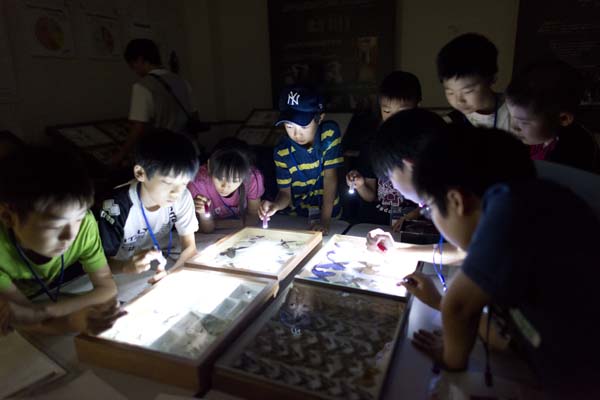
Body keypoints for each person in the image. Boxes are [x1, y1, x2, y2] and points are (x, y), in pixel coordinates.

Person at [398, 128, 599, 398]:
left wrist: (451, 361)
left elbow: (460, 308)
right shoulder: (542, 206)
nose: (432, 216)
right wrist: (438, 303)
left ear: (456, 200)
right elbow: (510, 336)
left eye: (429, 207)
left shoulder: (510, 206)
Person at [0, 146, 122, 335]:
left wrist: (47, 311)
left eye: (79, 218)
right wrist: (77, 320)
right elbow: (22, 318)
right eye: (54, 226)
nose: (70, 235)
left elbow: (106, 287)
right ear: (8, 217)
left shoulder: (84, 225)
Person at [96, 131, 199, 283]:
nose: (176, 192)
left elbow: (190, 247)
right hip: (122, 271)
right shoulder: (115, 207)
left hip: (160, 261)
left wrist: (172, 274)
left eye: (184, 183)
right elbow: (100, 265)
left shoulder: (182, 196)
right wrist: (125, 267)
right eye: (168, 183)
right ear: (140, 173)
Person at [259, 86, 344, 234]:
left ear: (320, 118)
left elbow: (330, 179)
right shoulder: (282, 151)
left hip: (329, 214)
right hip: (297, 218)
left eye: (303, 126)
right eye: (289, 126)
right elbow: (285, 194)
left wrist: (324, 221)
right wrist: (275, 206)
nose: (296, 134)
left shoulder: (329, 135)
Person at [346, 71, 423, 229]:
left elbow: (437, 195)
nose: (394, 119)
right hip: (375, 225)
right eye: (387, 111)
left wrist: (419, 212)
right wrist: (360, 185)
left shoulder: (426, 142)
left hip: (413, 226)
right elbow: (370, 196)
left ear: (417, 106)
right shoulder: (372, 144)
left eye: (402, 112)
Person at [112, 38, 197, 167]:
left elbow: (138, 128)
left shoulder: (143, 86)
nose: (134, 70)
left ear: (140, 60)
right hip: (190, 150)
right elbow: (194, 115)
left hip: (164, 156)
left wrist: (120, 155)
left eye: (133, 65)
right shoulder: (182, 81)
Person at [505, 59, 600, 174]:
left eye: (523, 122)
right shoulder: (538, 136)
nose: (513, 126)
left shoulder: (575, 155)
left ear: (563, 118)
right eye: (511, 116)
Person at [187, 138, 265, 233]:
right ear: (209, 166)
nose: (225, 186)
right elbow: (205, 229)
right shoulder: (197, 183)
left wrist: (216, 224)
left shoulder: (252, 178)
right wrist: (203, 214)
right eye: (220, 178)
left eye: (235, 180)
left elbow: (253, 218)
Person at [436, 33, 510, 132]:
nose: (459, 101)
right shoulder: (451, 121)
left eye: (468, 91)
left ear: (492, 78)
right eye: (450, 92)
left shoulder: (516, 113)